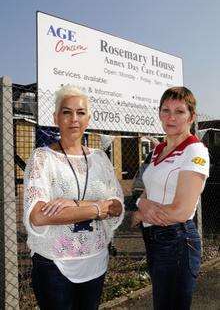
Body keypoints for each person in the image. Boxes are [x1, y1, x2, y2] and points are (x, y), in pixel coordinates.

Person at [23, 85, 124, 310]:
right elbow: (38, 216)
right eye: (67, 112)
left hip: (96, 263)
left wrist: (76, 204)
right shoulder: (42, 159)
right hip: (55, 268)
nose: (74, 119)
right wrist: (97, 209)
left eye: (80, 113)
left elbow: (117, 206)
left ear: (88, 118)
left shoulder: (100, 159)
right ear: (56, 117)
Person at [132, 87, 209, 310]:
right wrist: (141, 204)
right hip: (154, 236)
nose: (171, 117)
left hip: (177, 240)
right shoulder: (158, 150)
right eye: (165, 110)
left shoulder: (195, 151)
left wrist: (141, 213)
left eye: (179, 111)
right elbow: (146, 191)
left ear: (191, 117)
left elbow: (181, 211)